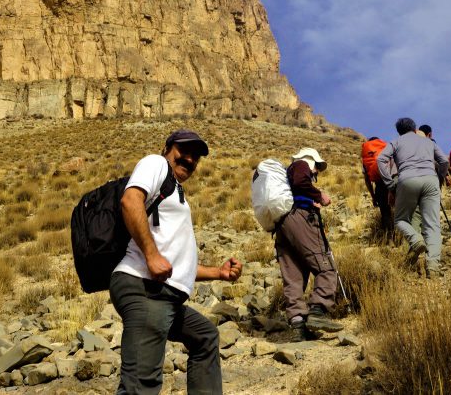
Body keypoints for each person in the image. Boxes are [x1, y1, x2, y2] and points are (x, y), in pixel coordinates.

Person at [112, 129, 243, 394]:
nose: (190, 159)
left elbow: (174, 265)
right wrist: (150, 255)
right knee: (140, 385)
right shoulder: (155, 163)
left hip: (164, 294)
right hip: (145, 288)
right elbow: (130, 200)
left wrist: (218, 273)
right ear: (168, 147)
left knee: (205, 337)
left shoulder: (176, 192)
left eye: (196, 156)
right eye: (184, 151)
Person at [275, 147, 344, 341]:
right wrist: (318, 195)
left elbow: (297, 185)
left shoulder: (290, 171)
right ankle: (318, 311)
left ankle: (297, 325)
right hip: (301, 219)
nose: (316, 173)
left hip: (283, 225)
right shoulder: (302, 164)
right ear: (312, 160)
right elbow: (300, 181)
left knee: (294, 275)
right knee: (325, 267)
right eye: (317, 169)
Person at [377, 118, 449, 277]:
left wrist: (390, 184)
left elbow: (380, 159)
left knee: (400, 220)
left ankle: (416, 240)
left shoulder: (395, 142)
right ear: (414, 128)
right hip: (430, 180)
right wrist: (440, 178)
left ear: (399, 131)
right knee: (432, 224)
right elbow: (444, 161)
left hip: (406, 180)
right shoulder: (428, 142)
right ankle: (434, 266)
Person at [361, 136, 392, 233]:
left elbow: (367, 180)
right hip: (392, 181)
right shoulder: (385, 148)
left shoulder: (366, 157)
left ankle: (389, 237)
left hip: (379, 186)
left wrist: (373, 196)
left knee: (385, 212)